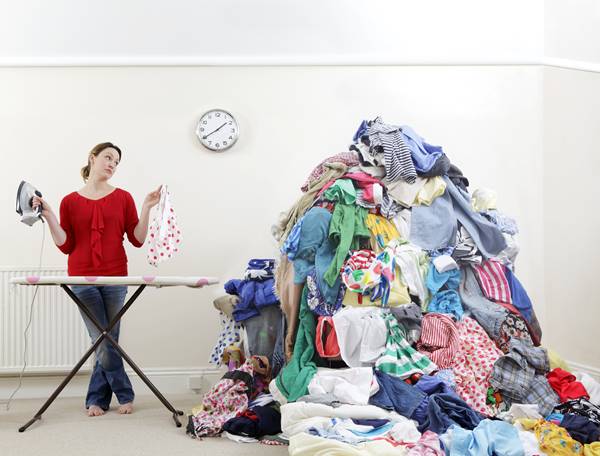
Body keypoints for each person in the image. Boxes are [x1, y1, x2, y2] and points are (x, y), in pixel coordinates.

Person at [32, 142, 160, 417]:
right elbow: (65, 244)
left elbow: (137, 239)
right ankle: (124, 393)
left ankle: (96, 399)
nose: (112, 164)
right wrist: (50, 214)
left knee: (107, 337)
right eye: (108, 157)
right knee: (102, 338)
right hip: (81, 278)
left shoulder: (123, 197)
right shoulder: (69, 201)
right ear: (92, 158)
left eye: (116, 161)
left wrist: (147, 206)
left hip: (115, 278)